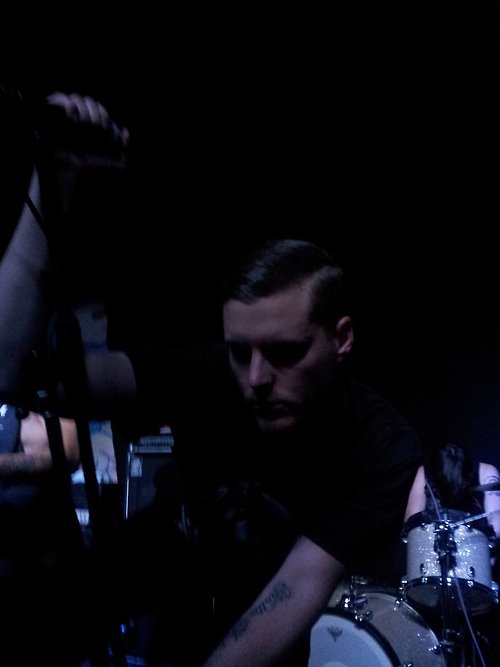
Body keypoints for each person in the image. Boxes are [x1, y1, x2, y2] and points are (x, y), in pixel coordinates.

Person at [0, 92, 423, 666]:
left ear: (342, 339)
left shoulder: (381, 444)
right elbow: (7, 369)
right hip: (166, 615)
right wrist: (53, 182)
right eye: (238, 351)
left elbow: (297, 587)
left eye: (286, 352)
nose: (256, 378)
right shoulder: (206, 375)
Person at [403, 442, 500, 665]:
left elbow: (497, 525)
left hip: (477, 578)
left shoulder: (487, 473)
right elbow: (411, 521)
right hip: (430, 572)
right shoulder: (424, 473)